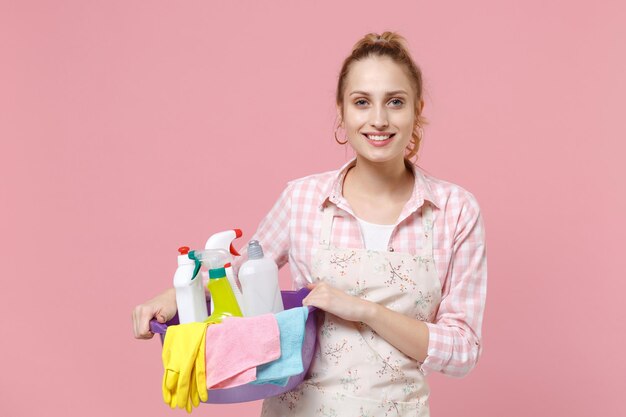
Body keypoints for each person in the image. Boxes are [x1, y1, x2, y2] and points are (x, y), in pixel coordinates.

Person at [132, 31, 487, 416]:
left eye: (395, 102)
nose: (379, 120)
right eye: (362, 102)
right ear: (342, 110)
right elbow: (234, 276)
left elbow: (462, 351)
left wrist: (364, 310)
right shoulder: (302, 198)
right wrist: (173, 296)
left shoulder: (454, 210)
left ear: (417, 109)